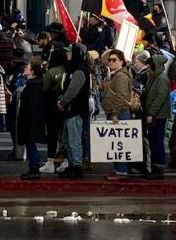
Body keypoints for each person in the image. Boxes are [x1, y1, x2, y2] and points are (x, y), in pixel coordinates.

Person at [56, 44, 92, 180]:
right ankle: (72, 165)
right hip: (70, 110)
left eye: (70, 52)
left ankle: (76, 166)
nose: (67, 54)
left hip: (74, 110)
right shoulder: (75, 68)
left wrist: (62, 101)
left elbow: (72, 91)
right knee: (68, 139)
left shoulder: (79, 70)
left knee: (73, 140)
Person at [100, 49, 134, 181]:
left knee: (120, 144)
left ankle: (121, 171)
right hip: (115, 112)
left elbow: (121, 96)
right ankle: (118, 169)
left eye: (114, 60)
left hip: (119, 113)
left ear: (121, 61)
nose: (111, 62)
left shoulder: (120, 76)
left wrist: (115, 114)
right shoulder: (115, 75)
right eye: (110, 60)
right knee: (115, 144)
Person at [141, 50, 171, 180]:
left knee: (157, 142)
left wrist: (151, 113)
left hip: (158, 116)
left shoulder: (161, 79)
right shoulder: (154, 77)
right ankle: (155, 166)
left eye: (149, 66)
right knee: (153, 141)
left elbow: (160, 97)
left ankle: (159, 168)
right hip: (154, 115)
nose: (147, 68)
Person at [17, 59, 47, 179]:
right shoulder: (35, 84)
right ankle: (33, 167)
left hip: (30, 120)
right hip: (33, 120)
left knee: (30, 144)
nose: (25, 68)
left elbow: (31, 106)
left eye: (28, 67)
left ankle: (34, 168)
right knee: (30, 144)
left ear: (33, 70)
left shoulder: (33, 86)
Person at [40, 47, 68, 173]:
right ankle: (66, 161)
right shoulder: (70, 70)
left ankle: (50, 161)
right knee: (66, 136)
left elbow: (45, 91)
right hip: (66, 106)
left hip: (51, 107)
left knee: (52, 136)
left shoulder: (50, 73)